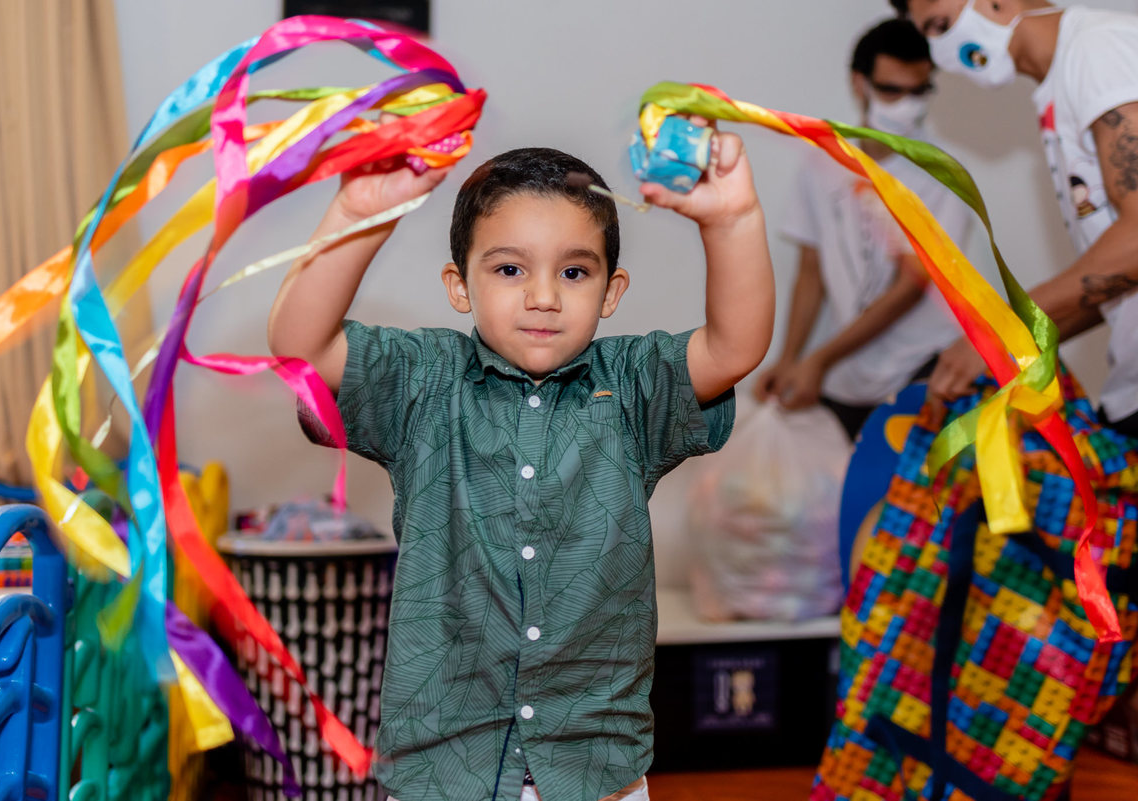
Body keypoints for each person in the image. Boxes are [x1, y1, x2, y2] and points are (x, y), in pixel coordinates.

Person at [267, 131, 775, 800]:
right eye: (510, 269)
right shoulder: (423, 380)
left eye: (574, 271)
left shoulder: (633, 386)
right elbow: (299, 347)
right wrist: (359, 212)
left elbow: (736, 347)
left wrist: (732, 220)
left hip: (597, 766)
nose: (544, 296)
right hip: (441, 765)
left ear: (611, 290)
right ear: (459, 283)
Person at [892, 0, 1138, 437]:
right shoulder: (1062, 82)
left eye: (940, 25)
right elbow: (1113, 279)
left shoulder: (1097, 49)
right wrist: (994, 350)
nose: (939, 52)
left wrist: (1000, 331)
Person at [754, 18, 973, 441]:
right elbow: (811, 270)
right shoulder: (823, 162)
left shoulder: (943, 174)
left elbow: (911, 285)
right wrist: (789, 358)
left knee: (913, 502)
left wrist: (816, 360)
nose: (907, 105)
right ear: (860, 82)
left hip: (928, 369)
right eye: (892, 90)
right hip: (848, 376)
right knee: (847, 500)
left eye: (920, 91)